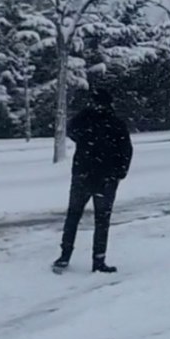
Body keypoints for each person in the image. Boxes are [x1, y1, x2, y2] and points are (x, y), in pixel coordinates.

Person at [53, 88, 134, 274]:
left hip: (83, 174)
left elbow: (71, 130)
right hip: (106, 178)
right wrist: (120, 173)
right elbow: (126, 150)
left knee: (73, 216)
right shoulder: (116, 124)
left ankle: (65, 256)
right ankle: (98, 260)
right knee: (102, 220)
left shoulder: (85, 121)